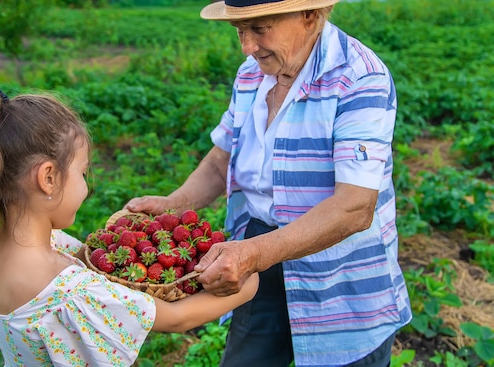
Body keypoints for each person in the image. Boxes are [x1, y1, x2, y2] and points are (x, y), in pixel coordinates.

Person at [125, 0, 412, 366]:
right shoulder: (252, 72)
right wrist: (173, 203)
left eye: (260, 28)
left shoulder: (358, 77)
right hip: (256, 249)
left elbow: (354, 207)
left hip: (339, 269)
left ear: (310, 15)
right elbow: (220, 160)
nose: (247, 46)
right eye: (240, 31)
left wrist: (253, 253)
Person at [0, 73, 259, 367]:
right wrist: (250, 282)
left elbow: (96, 269)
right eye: (82, 172)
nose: (86, 185)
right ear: (48, 178)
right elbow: (175, 318)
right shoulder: (67, 288)